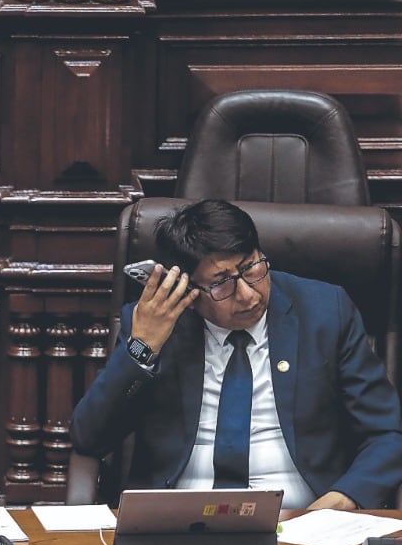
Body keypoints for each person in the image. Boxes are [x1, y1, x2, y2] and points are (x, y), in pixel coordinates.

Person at [70, 198, 402, 510]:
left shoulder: (325, 311)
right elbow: (90, 438)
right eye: (221, 283)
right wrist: (142, 348)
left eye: (251, 268)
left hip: (301, 517)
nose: (247, 295)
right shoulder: (153, 323)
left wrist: (343, 499)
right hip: (177, 517)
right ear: (188, 289)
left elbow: (386, 433)